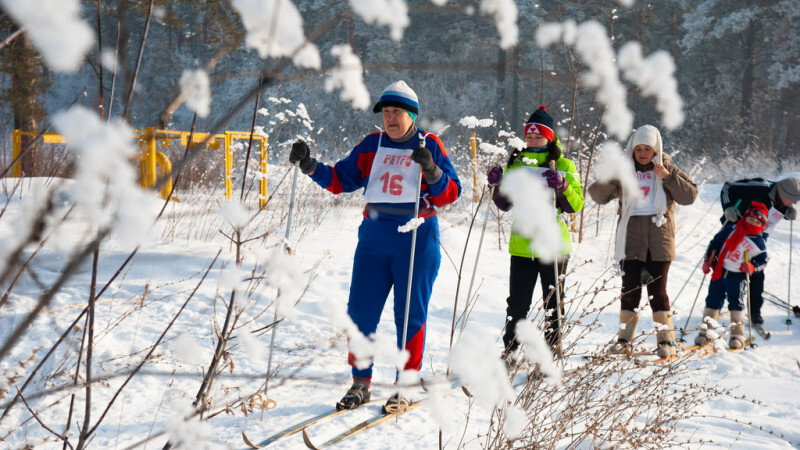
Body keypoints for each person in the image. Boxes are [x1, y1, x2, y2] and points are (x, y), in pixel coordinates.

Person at [289, 80, 461, 413]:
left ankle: (405, 383)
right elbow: (341, 179)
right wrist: (310, 165)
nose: (390, 119)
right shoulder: (372, 144)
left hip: (416, 235)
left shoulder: (430, 143)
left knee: (409, 314)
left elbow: (451, 193)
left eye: (397, 112)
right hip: (374, 236)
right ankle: (360, 382)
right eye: (386, 112)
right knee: (360, 313)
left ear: (411, 114)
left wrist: (431, 168)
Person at [588, 124, 697, 358]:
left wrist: (667, 178)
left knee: (658, 291)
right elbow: (597, 196)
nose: (643, 153)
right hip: (631, 239)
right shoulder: (625, 171)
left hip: (660, 240)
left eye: (648, 148)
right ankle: (624, 341)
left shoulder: (668, 169)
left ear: (656, 148)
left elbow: (689, 196)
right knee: (630, 290)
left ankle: (666, 341)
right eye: (639, 149)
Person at [486, 106, 584, 360]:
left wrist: (562, 186)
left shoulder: (564, 164)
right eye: (528, 137)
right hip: (522, 244)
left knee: (553, 303)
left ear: (549, 138)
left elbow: (576, 206)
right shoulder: (518, 163)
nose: (532, 142)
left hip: (553, 245)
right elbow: (504, 204)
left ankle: (552, 349)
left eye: (538, 137)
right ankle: (511, 349)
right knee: (517, 303)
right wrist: (496, 185)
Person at [718, 177, 799, 325]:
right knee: (726, 268)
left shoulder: (782, 201)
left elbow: (778, 210)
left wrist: (788, 211)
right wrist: (728, 207)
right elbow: (727, 187)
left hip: (758, 237)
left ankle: (754, 311)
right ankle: (715, 304)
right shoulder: (760, 187)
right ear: (782, 194)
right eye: (792, 200)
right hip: (735, 229)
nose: (794, 203)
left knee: (756, 271)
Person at [695, 202, 769, 349]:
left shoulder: (759, 243)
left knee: (736, 304)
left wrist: (752, 266)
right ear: (746, 217)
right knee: (712, 302)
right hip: (719, 273)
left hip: (737, 278)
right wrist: (708, 259)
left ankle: (737, 335)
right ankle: (706, 332)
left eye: (756, 222)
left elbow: (763, 261)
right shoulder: (731, 229)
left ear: (761, 224)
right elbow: (714, 243)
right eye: (750, 219)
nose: (752, 223)